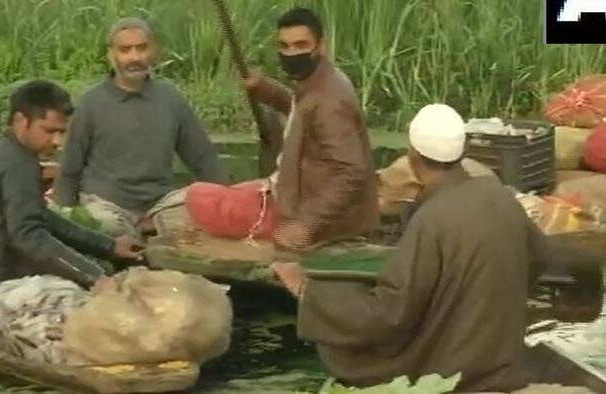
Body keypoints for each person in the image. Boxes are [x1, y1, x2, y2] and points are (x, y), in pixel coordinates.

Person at [272, 104, 553, 392]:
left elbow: (389, 313)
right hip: (499, 356)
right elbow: (541, 257)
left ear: (413, 157)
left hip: (454, 367)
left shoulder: (432, 220)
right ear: (461, 153)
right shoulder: (500, 196)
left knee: (348, 348)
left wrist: (308, 292)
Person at [0, 80, 144, 334]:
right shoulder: (19, 165)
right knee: (95, 318)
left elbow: (38, 217)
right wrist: (93, 276)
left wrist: (107, 246)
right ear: (21, 121)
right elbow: (29, 236)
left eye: (61, 132)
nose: (57, 141)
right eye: (49, 131)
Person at [186, 7, 379, 250]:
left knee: (196, 197)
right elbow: (303, 112)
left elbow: (351, 173)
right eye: (284, 46)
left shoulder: (330, 101)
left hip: (301, 211)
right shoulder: (319, 82)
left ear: (321, 46)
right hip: (291, 190)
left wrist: (305, 224)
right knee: (227, 191)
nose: (291, 53)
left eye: (300, 45)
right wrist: (266, 89)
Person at [53, 17, 229, 238]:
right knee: (102, 225)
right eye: (125, 50)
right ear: (111, 55)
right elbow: (70, 166)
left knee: (195, 216)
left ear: (153, 51)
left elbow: (203, 158)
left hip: (161, 205)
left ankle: (150, 231)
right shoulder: (91, 103)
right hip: (107, 206)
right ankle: (134, 237)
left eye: (141, 48)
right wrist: (64, 216)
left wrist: (227, 202)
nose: (134, 57)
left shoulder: (170, 98)